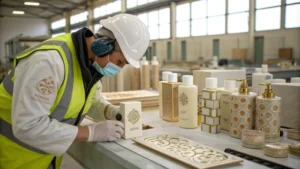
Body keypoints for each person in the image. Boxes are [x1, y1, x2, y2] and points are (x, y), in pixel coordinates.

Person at [0, 13, 150, 169]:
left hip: (44, 159)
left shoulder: (90, 65)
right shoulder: (48, 62)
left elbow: (88, 100)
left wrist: (110, 111)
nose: (119, 69)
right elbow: (28, 126)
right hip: (12, 159)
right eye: (120, 62)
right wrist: (90, 132)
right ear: (105, 45)